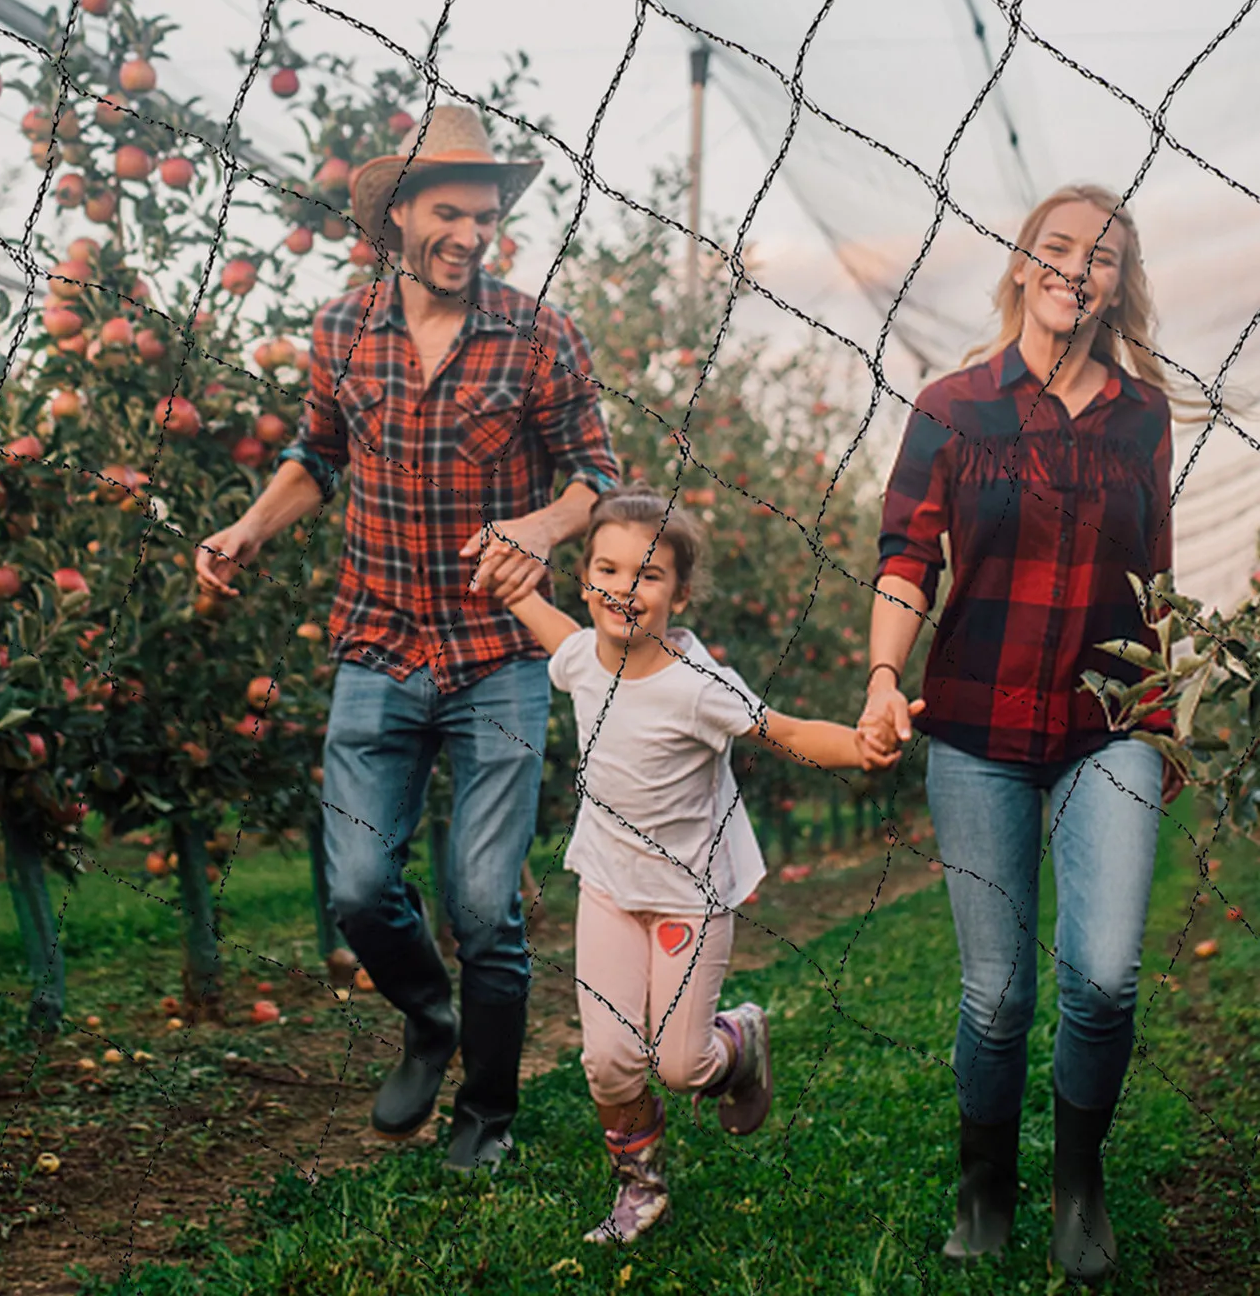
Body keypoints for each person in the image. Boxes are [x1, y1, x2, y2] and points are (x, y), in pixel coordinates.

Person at [195, 106, 619, 1172]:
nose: (470, 234)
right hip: (378, 644)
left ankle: (486, 1109)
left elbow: (597, 477)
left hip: (498, 659)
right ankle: (429, 1018)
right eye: (449, 212)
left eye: (484, 215)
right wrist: (249, 525)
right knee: (354, 887)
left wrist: (542, 524)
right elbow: (316, 453)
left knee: (485, 901)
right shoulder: (340, 330)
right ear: (396, 217)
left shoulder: (539, 333)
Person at [858, 185, 1182, 1284]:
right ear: (1019, 263)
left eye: (1098, 256)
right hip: (977, 719)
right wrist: (879, 679)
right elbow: (907, 557)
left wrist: (1167, 707)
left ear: (1112, 284)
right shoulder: (951, 404)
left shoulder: (1143, 417)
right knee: (995, 992)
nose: (1073, 268)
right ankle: (982, 1179)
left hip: (1109, 723)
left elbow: (1158, 579)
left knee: (1101, 975)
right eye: (1055, 248)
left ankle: (1076, 1179)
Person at [507, 484, 894, 1244]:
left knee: (680, 1065)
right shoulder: (583, 656)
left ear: (679, 592)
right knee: (610, 1059)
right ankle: (639, 1187)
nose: (623, 588)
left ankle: (740, 1042)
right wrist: (513, 585)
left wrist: (857, 745)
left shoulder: (697, 686)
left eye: (647, 575)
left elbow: (782, 731)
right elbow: (556, 635)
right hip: (610, 885)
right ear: (585, 578)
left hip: (689, 894)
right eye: (607, 570)